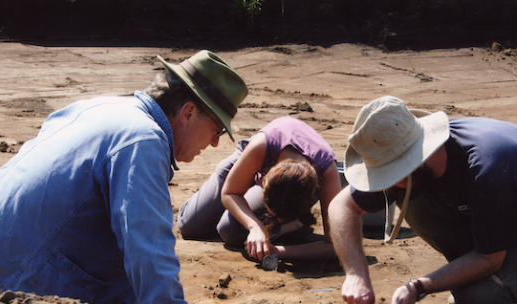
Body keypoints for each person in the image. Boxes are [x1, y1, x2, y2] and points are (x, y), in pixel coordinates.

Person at [0, 50, 249, 304]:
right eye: (217, 130)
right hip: (15, 277)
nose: (214, 144)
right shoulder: (143, 140)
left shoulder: (100, 106)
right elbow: (148, 249)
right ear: (188, 112)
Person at [328, 95, 517, 304]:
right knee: (409, 196)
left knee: (481, 296)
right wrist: (356, 274)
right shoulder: (409, 158)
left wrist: (419, 286)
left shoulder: (487, 169)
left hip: (502, 230)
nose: (386, 185)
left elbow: (490, 259)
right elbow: (341, 205)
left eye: (389, 176)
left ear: (411, 163)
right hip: (493, 222)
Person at [178, 116, 342, 262]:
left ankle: (297, 223)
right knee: (190, 225)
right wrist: (255, 227)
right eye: (275, 214)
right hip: (257, 153)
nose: (276, 220)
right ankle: (291, 222)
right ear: (263, 185)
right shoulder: (261, 146)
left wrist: (278, 251)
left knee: (229, 230)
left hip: (297, 179)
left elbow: (336, 246)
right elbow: (230, 192)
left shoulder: (327, 170)